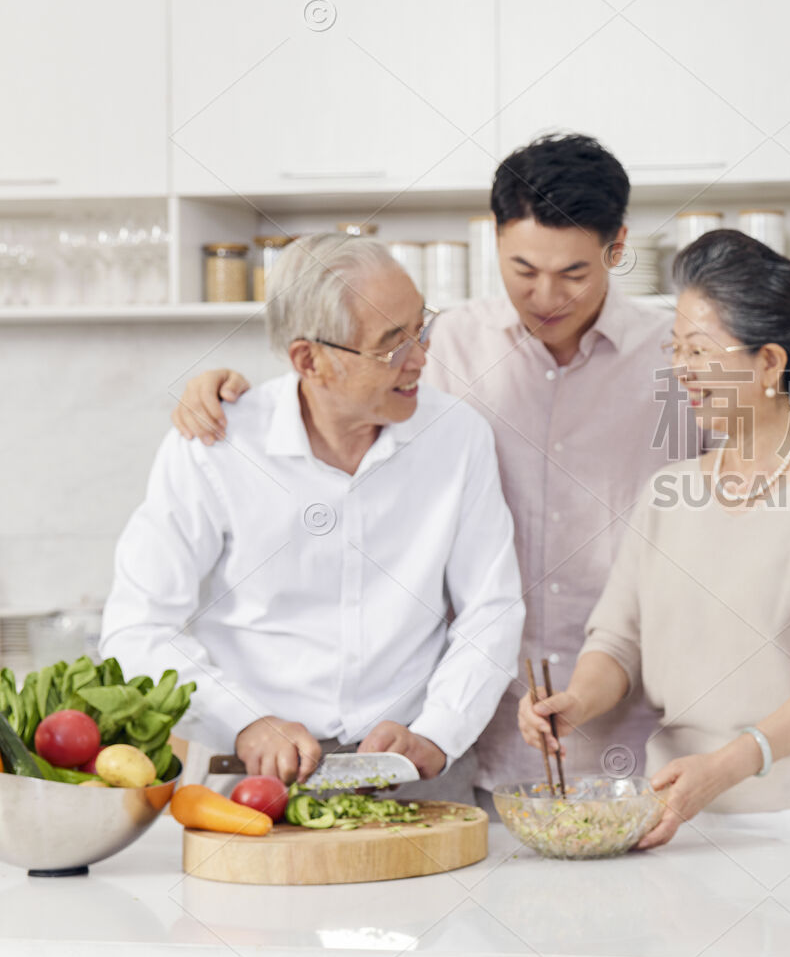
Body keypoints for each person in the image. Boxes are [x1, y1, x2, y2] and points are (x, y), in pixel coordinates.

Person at [167, 134, 790, 802]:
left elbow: (758, 431)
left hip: (641, 743)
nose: (547, 296)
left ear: (617, 249)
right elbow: (336, 384)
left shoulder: (667, 355)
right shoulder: (442, 351)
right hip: (483, 727)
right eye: (523, 269)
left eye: (574, 271)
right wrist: (232, 394)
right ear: (495, 246)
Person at [102, 234, 525, 803]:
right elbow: (137, 628)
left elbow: (491, 608)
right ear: (309, 359)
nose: (422, 358)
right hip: (250, 778)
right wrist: (246, 720)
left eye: (420, 328)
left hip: (415, 772)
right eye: (391, 345)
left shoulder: (457, 436)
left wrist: (438, 732)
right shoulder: (216, 445)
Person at [518, 230, 790, 847]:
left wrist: (727, 767)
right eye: (675, 349)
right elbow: (617, 639)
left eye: (699, 350)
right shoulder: (668, 492)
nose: (680, 369)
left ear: (769, 361)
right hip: (678, 802)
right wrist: (576, 704)